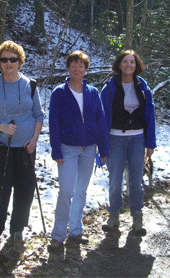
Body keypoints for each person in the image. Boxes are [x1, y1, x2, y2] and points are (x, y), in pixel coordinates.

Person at [0, 41, 44, 245]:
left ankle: (17, 229)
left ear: (20, 61)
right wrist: (1, 127)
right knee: (0, 187)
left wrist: (33, 139)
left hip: (26, 147)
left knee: (25, 188)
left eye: (13, 59)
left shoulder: (30, 85)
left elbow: (39, 116)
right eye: (4, 59)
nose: (9, 63)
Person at [48, 50, 109, 250]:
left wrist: (103, 148)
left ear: (85, 68)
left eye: (80, 66)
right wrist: (56, 150)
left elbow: (100, 120)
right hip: (67, 148)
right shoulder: (59, 93)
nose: (77, 69)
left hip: (89, 148)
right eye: (73, 66)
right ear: (68, 68)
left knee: (81, 191)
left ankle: (75, 231)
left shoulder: (93, 92)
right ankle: (57, 235)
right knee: (66, 191)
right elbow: (53, 123)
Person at [100, 50, 156, 234]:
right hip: (115, 138)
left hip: (138, 138)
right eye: (125, 62)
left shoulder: (142, 86)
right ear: (119, 65)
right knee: (115, 180)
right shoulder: (109, 88)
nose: (129, 65)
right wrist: (102, 145)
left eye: (132, 62)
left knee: (136, 181)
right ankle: (114, 216)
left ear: (136, 65)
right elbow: (102, 117)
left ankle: (137, 217)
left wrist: (150, 143)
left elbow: (150, 115)